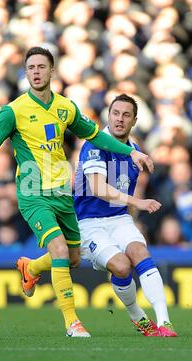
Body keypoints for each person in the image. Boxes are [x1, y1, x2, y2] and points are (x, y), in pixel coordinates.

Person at [0, 47, 154, 338]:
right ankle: (72, 323)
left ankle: (32, 268)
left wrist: (131, 152)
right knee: (60, 249)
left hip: (63, 192)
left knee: (73, 259)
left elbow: (96, 135)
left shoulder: (66, 107)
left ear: (52, 71)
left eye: (41, 67)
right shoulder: (13, 111)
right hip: (32, 193)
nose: (36, 72)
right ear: (26, 73)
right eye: (31, 68)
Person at [74, 94, 178, 337]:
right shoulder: (94, 145)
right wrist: (138, 202)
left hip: (119, 218)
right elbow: (98, 189)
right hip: (89, 224)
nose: (119, 119)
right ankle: (137, 317)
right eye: (115, 113)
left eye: (126, 115)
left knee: (140, 253)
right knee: (121, 267)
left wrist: (133, 207)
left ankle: (164, 322)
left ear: (134, 121)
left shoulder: (134, 150)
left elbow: (123, 188)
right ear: (108, 116)